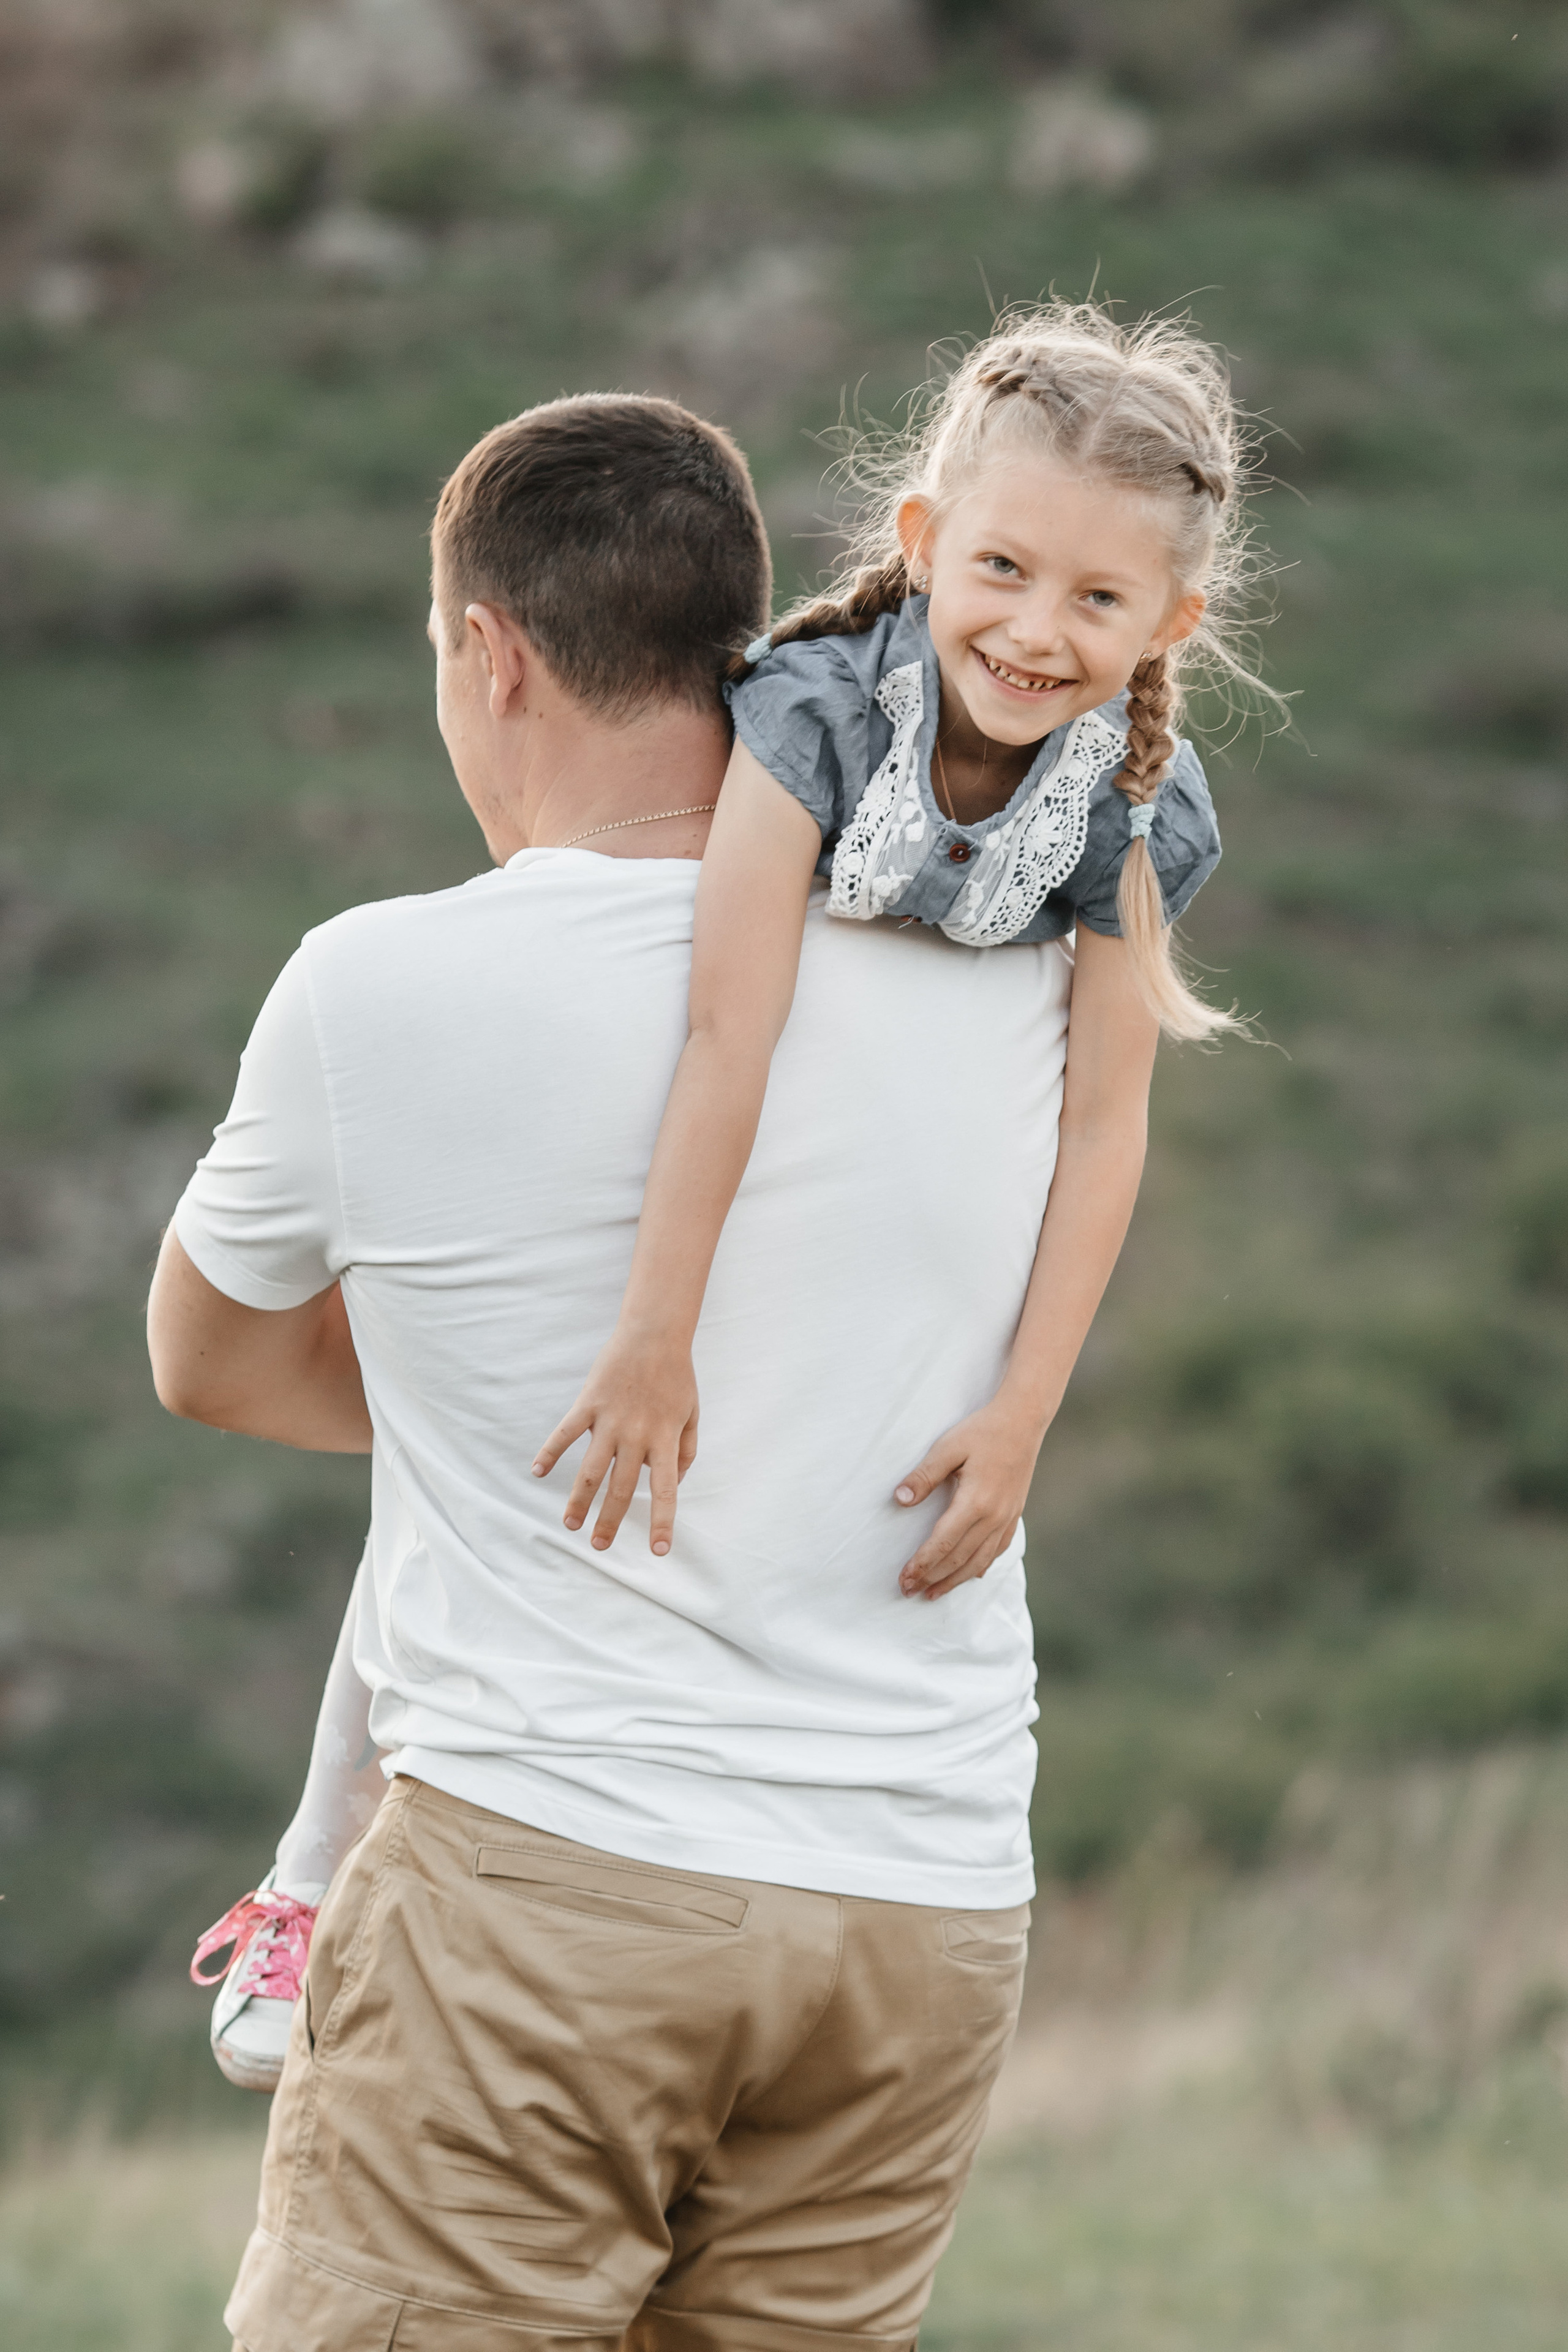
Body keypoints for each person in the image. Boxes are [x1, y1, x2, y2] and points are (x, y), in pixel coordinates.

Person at [187, 301, 1275, 2109]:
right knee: (456, 1449)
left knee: (440, 1442)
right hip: (914, 1859)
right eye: (1004, 572)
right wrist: (652, 1336)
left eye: (1099, 600)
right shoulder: (815, 716)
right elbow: (726, 1022)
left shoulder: (1133, 808)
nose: (1036, 631)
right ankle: (312, 1870)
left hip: (693, 1844)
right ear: (922, 544)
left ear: (1172, 624)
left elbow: (1107, 1133)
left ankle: (315, 1876)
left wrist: (1022, 1414)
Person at [149, 386, 1067, 2350]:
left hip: (552, 1891)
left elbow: (209, 1363)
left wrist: (481, 1380)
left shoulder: (376, 985)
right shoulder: (993, 959)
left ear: (491, 655)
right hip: (924, 1906)